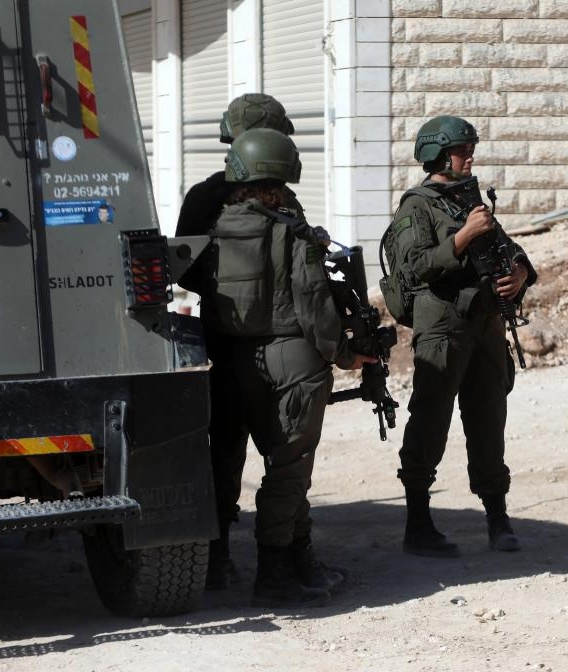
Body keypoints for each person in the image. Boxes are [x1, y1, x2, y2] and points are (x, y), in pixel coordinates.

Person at [204, 127, 376, 608]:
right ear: (280, 178)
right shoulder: (290, 231)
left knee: (274, 466)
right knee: (288, 469)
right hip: (293, 360)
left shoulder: (216, 229)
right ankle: (275, 575)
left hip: (238, 362)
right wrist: (344, 354)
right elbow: (315, 309)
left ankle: (294, 563)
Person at [176, 93, 309, 590]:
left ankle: (219, 559)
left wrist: (226, 294)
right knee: (280, 449)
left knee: (225, 450)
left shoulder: (204, 196)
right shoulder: (276, 197)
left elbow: (185, 269)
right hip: (267, 344)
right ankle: (274, 560)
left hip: (221, 338)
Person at [392, 116, 537, 557]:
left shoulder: (469, 198)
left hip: (485, 325)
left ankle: (498, 518)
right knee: (431, 420)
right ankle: (418, 524)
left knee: (489, 417)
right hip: (442, 328)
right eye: (461, 150)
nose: (469, 156)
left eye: (470, 148)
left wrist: (520, 272)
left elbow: (508, 249)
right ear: (437, 154)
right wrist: (462, 238)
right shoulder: (417, 207)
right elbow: (415, 266)